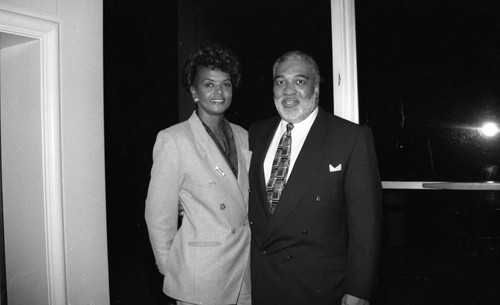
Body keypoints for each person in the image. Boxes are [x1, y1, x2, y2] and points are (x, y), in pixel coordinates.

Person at [248, 50, 382, 305]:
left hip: (317, 288)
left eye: (299, 81)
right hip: (261, 282)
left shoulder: (350, 138)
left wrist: (359, 289)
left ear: (316, 88)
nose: (288, 91)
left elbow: (366, 224)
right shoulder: (256, 133)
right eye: (280, 81)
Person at [145, 44, 252, 305]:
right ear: (194, 91)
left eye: (226, 85)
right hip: (201, 276)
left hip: (244, 271)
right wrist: (172, 268)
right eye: (209, 84)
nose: (219, 92)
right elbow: (158, 215)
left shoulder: (244, 136)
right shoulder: (174, 139)